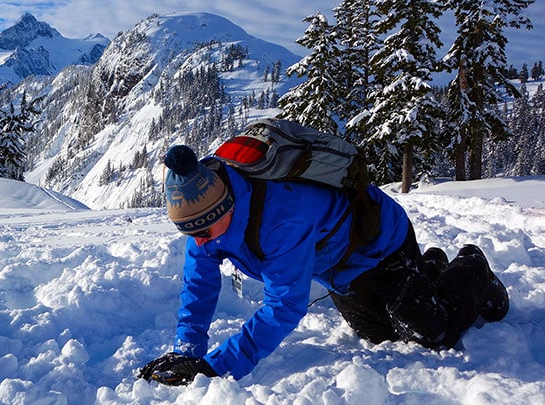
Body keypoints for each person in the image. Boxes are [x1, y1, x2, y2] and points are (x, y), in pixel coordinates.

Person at [138, 140, 509, 386]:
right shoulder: (204, 221)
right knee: (380, 334)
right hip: (337, 267)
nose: (198, 241)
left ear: (226, 208)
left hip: (380, 243)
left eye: (203, 230)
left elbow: (284, 304)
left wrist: (216, 366)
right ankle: (430, 269)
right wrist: (187, 352)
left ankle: (472, 268)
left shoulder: (281, 218)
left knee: (430, 333)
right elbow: (199, 284)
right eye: (189, 232)